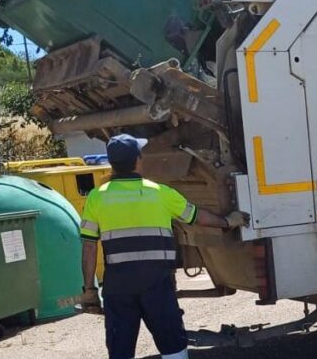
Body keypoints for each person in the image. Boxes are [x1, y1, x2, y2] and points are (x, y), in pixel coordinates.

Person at [78, 134, 248, 359]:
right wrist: (227, 221)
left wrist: (89, 289)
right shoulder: (160, 193)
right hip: (157, 284)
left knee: (120, 351)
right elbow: (197, 217)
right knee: (173, 348)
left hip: (118, 287)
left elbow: (89, 247)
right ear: (139, 160)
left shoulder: (96, 198)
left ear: (112, 164)